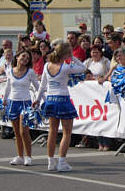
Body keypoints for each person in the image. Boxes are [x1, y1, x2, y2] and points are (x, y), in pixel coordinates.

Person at [34, 42, 86, 172]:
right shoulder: (66, 66)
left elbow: (42, 85)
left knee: (52, 131)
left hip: (51, 99)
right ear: (66, 53)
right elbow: (83, 67)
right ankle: (62, 161)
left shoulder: (47, 65)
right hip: (63, 99)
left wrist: (37, 99)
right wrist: (72, 57)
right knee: (66, 132)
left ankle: (51, 161)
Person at [3, 50, 39, 166]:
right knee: (17, 132)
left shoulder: (30, 72)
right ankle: (20, 156)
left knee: (24, 131)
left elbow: (38, 86)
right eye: (23, 56)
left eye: (27, 58)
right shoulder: (10, 71)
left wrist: (39, 99)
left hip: (25, 103)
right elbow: (8, 86)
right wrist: (5, 98)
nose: (25, 59)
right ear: (17, 57)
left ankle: (28, 156)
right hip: (13, 103)